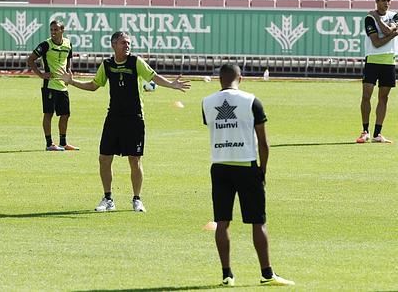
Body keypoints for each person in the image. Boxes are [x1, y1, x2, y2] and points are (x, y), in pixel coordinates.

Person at [61, 31, 190, 212]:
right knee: (104, 159)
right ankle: (108, 199)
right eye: (123, 43)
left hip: (134, 118)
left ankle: (137, 199)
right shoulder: (106, 65)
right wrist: (72, 82)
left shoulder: (136, 62)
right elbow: (93, 85)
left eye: (128, 43)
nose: (127, 46)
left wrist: (171, 84)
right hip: (113, 117)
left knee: (135, 159)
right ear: (113, 45)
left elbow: (153, 77)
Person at [201, 64, 294, 287]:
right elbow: (263, 142)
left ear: (219, 80)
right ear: (240, 78)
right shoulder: (252, 101)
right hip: (246, 165)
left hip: (219, 165)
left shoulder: (206, 102)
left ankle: (227, 275)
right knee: (258, 222)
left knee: (222, 222)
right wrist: (263, 170)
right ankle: (267, 273)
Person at [27, 20, 79, 151]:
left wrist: (68, 72)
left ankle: (63, 143)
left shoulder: (68, 44)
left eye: (56, 29)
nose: (53, 32)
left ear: (62, 30)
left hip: (62, 85)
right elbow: (30, 60)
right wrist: (41, 74)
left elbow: (68, 59)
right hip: (49, 85)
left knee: (65, 114)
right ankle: (49, 143)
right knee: (49, 114)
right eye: (51, 30)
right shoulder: (46, 45)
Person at [356, 0, 398, 144]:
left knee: (384, 98)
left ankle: (377, 134)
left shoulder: (394, 15)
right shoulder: (369, 18)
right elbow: (376, 42)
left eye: (388, 0)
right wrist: (393, 34)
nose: (386, 3)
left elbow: (387, 30)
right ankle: (365, 131)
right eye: (383, 0)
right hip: (373, 60)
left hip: (388, 61)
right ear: (377, 1)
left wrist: (379, 19)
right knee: (366, 96)